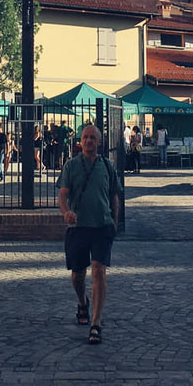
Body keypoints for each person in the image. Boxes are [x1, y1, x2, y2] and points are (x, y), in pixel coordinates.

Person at [57, 125, 121, 346]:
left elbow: (114, 195)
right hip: (78, 227)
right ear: (80, 141)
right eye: (85, 137)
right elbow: (62, 195)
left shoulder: (107, 166)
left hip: (102, 225)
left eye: (93, 138)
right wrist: (66, 212)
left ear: (99, 142)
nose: (88, 141)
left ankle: (96, 322)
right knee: (77, 275)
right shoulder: (71, 166)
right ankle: (82, 301)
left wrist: (115, 221)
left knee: (98, 270)